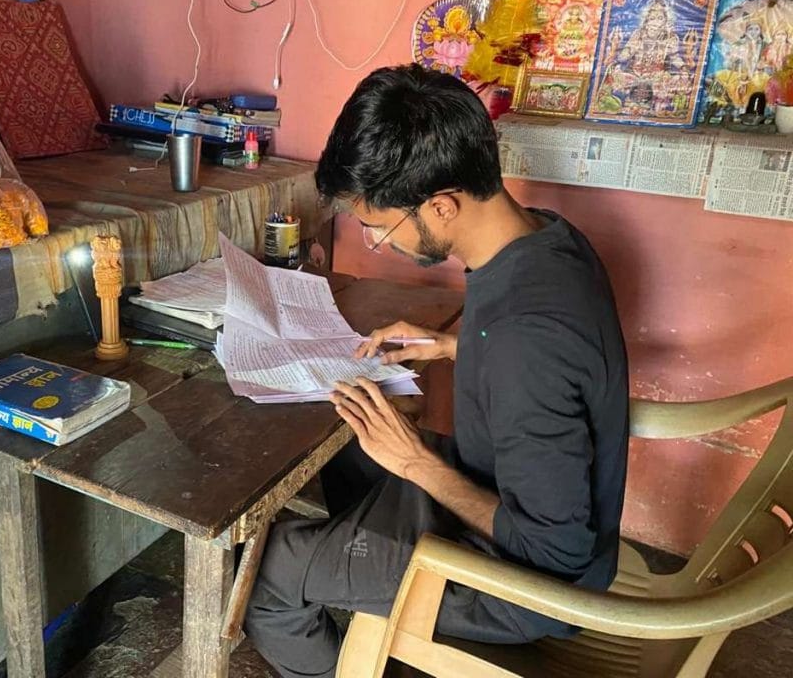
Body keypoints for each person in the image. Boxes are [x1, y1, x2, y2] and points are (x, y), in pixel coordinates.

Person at [244, 65, 630, 678]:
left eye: (379, 230)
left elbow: (556, 552)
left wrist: (417, 464)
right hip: (496, 485)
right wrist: (453, 347)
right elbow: (541, 359)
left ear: (442, 206)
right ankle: (368, 585)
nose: (381, 244)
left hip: (527, 585)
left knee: (269, 572)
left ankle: (340, 596)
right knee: (348, 445)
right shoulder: (546, 241)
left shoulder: (526, 341)